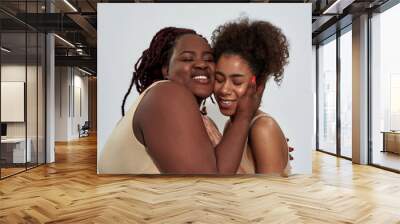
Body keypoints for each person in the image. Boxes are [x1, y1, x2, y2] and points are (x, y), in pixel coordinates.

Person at [98, 27, 264, 174]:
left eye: (208, 59)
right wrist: (244, 115)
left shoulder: (199, 120)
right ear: (166, 70)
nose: (201, 64)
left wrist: (258, 153)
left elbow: (218, 172)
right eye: (187, 59)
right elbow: (209, 188)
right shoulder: (167, 93)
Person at [209, 18, 292, 176]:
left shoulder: (263, 128)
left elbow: (270, 197)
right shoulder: (232, 124)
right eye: (218, 79)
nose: (224, 89)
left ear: (258, 84)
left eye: (237, 81)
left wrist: (217, 143)